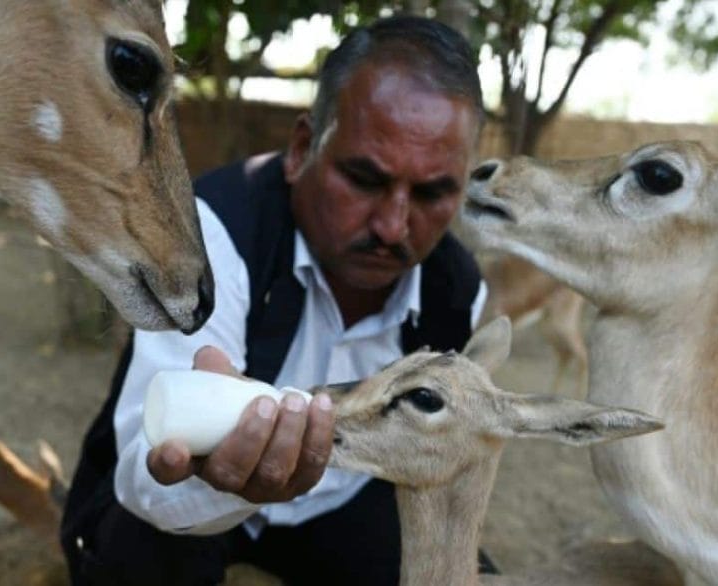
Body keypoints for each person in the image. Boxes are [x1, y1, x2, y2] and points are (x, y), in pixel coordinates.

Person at [61, 14, 493, 585]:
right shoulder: (211, 235)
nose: (393, 226)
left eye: (434, 193)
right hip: (195, 508)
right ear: (301, 149)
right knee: (139, 552)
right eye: (364, 179)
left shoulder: (457, 294)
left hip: (340, 502)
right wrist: (224, 477)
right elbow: (148, 473)